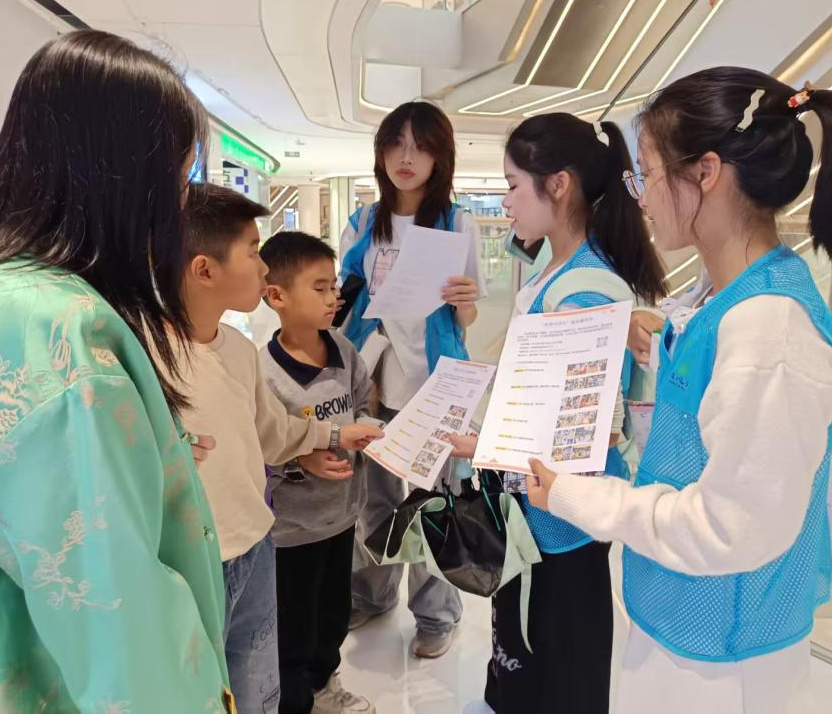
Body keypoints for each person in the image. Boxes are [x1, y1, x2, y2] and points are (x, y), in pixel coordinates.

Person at [525, 67, 832, 713]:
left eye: (648, 173)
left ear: (705, 172)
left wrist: (576, 495)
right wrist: (649, 333)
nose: (641, 197)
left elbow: (728, 528)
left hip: (722, 656)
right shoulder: (724, 296)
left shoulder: (768, 332)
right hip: (683, 617)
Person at [0, 31, 235, 711]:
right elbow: (117, 621)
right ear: (126, 180)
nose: (179, 208)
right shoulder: (52, 330)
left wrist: (149, 458)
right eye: (177, 181)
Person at [451, 112, 666, 714]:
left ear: (560, 184)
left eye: (513, 185)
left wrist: (484, 444)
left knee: (557, 663)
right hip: (540, 506)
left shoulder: (586, 287)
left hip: (559, 517)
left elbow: (575, 432)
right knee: (529, 648)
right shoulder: (562, 271)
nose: (505, 201)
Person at [171, 185, 383, 714]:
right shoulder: (156, 358)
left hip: (260, 540)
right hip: (209, 554)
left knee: (265, 671)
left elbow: (273, 432)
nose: (263, 268)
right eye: (252, 251)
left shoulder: (238, 350)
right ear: (205, 269)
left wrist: (336, 436)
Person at [339, 101, 487, 658]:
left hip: (436, 383)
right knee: (375, 498)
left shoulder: (458, 223)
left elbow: (466, 317)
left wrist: (465, 303)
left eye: (420, 146)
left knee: (434, 500)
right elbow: (345, 298)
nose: (406, 157)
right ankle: (373, 593)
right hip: (373, 380)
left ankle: (436, 612)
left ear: (439, 157)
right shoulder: (364, 222)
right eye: (395, 144)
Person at [259, 231, 382, 714]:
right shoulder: (264, 374)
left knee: (332, 616)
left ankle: (324, 684)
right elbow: (260, 445)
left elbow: (364, 402)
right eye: (319, 288)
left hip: (342, 517)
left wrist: (370, 430)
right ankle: (293, 701)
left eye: (334, 286)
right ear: (277, 296)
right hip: (292, 531)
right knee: (293, 625)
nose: (334, 297)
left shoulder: (343, 351)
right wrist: (302, 457)